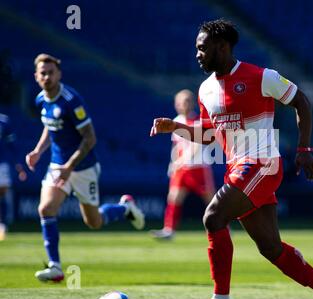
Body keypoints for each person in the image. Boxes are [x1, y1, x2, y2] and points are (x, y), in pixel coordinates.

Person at [150, 19, 313, 299]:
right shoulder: (205, 89)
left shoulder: (261, 76)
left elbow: (301, 101)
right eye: (197, 48)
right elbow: (208, 135)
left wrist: (304, 150)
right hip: (237, 168)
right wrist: (175, 127)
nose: (197, 54)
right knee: (271, 248)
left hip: (262, 164)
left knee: (213, 217)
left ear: (222, 47)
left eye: (202, 48)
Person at [26, 53, 145, 282]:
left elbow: (90, 138)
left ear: (59, 74)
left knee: (94, 222)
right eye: (43, 73)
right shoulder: (41, 99)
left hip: (83, 168)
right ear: (36, 76)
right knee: (46, 209)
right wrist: (38, 151)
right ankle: (56, 267)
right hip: (57, 166)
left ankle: (124, 208)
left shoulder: (71, 101)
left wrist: (70, 166)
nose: (47, 76)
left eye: (51, 72)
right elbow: (50, 128)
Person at [150, 89, 216, 240]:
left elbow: (196, 145)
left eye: (185, 101)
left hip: (198, 167)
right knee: (173, 197)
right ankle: (169, 230)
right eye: (179, 102)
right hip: (181, 169)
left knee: (211, 201)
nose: (182, 105)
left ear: (192, 103)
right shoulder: (176, 121)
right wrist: (172, 163)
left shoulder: (198, 121)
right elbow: (177, 147)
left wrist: (182, 160)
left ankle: (222, 228)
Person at [0, 113, 27, 240]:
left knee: (2, 192)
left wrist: (18, 165)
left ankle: (2, 224)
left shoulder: (4, 120)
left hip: (1, 163)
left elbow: (12, 144)